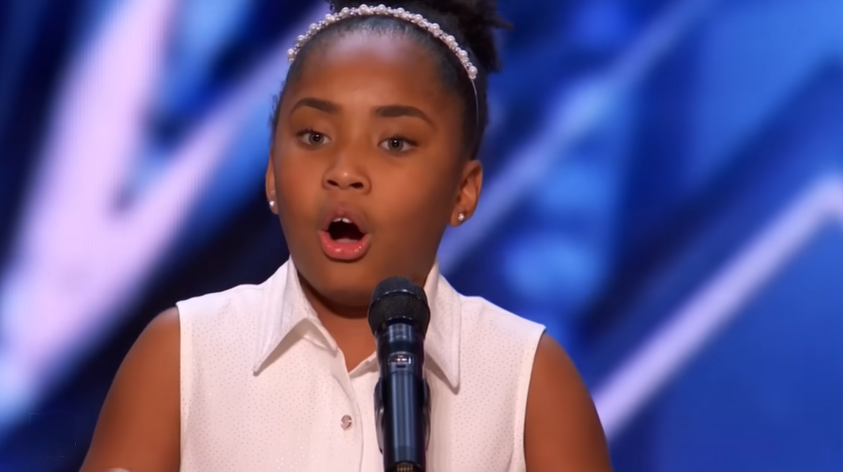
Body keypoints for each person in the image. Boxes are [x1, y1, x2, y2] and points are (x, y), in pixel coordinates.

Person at [80, 0, 612, 470]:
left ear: (463, 193)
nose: (345, 170)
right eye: (314, 135)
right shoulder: (182, 354)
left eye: (396, 143)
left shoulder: (528, 381)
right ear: (272, 174)